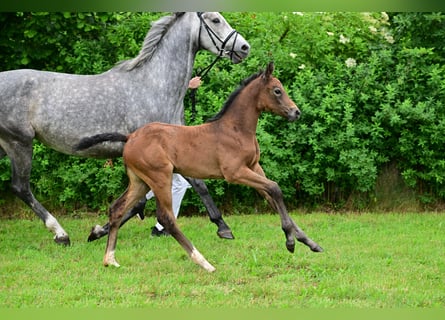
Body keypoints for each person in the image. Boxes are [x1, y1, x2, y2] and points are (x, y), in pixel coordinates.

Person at [147, 76, 201, 237]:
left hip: (162, 141)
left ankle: (144, 206)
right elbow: (164, 94)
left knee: (173, 183)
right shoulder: (157, 88)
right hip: (161, 143)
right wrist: (187, 85)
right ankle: (163, 226)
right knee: (179, 184)